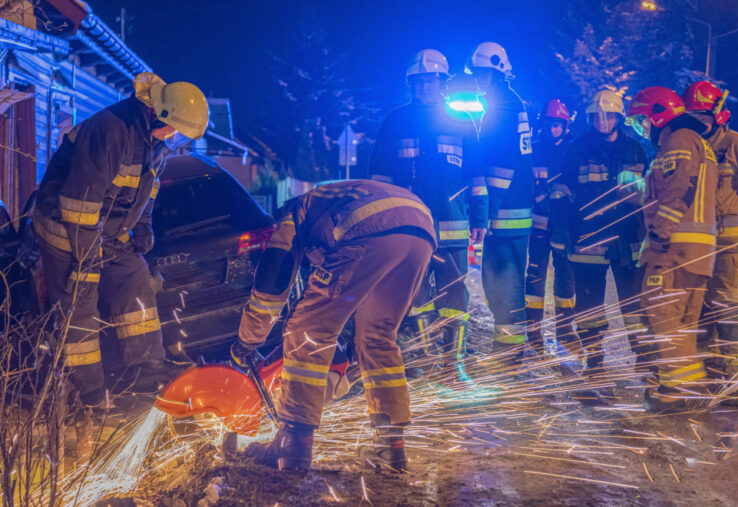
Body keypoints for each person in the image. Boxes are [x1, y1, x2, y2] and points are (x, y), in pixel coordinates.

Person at [232, 179, 436, 471]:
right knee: (378, 336)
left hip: (369, 227)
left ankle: (293, 444)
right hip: (420, 231)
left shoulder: (292, 217)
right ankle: (391, 446)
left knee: (307, 331)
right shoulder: (327, 200)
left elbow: (273, 281)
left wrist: (248, 339)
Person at [33, 73, 208, 408]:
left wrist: (142, 230)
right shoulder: (110, 130)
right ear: (160, 115)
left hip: (105, 230)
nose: (176, 138)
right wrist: (86, 262)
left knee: (135, 277)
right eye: (176, 130)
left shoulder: (155, 145)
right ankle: (91, 393)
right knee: (80, 298)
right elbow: (79, 202)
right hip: (66, 228)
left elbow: (144, 193)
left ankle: (147, 367)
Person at [369, 49, 487, 382]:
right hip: (408, 228)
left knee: (454, 296)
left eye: (431, 80)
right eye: (419, 81)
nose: (425, 86)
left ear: (442, 82)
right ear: (411, 84)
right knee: (413, 296)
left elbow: (475, 177)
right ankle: (420, 358)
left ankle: (453, 363)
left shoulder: (462, 122)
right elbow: (379, 177)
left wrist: (480, 219)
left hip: (452, 225)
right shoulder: (396, 121)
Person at [626, 86, 718, 410]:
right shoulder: (701, 144)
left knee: (662, 315)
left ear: (657, 114)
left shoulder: (678, 142)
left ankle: (674, 392)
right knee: (684, 324)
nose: (641, 130)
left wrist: (660, 234)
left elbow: (679, 189)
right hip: (697, 251)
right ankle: (689, 387)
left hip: (674, 249)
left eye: (641, 122)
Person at [549, 90, 648, 376]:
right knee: (590, 306)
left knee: (635, 305)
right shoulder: (577, 150)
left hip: (629, 240)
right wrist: (565, 233)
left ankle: (645, 357)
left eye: (608, 116)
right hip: (589, 241)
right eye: (597, 116)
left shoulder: (635, 150)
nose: (602, 121)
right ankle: (594, 360)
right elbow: (561, 194)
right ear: (591, 118)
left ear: (619, 117)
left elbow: (649, 192)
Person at [682, 81, 738, 406]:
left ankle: (737, 387)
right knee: (699, 316)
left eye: (703, 118)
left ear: (719, 114)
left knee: (729, 314)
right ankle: (707, 378)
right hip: (696, 248)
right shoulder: (689, 147)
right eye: (692, 118)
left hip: (728, 249)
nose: (698, 125)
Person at [467, 42, 534, 355]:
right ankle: (507, 350)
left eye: (483, 73)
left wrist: (486, 211)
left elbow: (501, 164)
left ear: (496, 72)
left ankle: (508, 357)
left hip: (504, 211)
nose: (479, 79)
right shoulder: (507, 102)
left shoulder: (503, 106)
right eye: (477, 73)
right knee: (500, 283)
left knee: (503, 284)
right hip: (510, 209)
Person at [524, 99, 575, 351]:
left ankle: (565, 330)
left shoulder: (574, 149)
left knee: (566, 276)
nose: (552, 129)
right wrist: (540, 197)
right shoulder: (532, 150)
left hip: (565, 225)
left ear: (565, 126)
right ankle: (533, 331)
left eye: (557, 125)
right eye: (548, 124)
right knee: (535, 275)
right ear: (541, 125)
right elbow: (524, 183)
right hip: (539, 225)